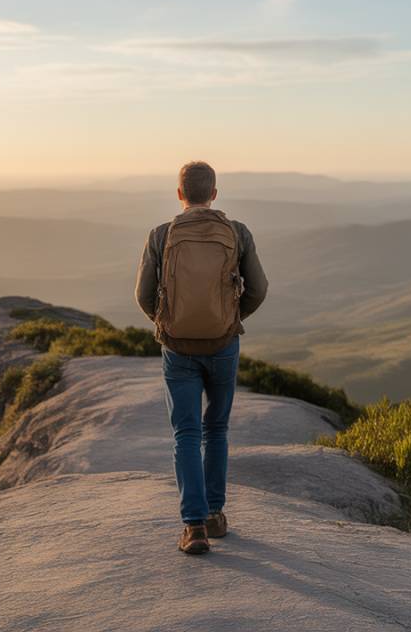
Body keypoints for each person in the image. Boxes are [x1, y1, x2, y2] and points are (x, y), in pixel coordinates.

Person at [135, 161, 268, 555]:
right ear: (214, 193)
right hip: (223, 346)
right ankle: (214, 514)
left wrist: (168, 326)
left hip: (177, 349)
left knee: (186, 433)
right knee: (217, 429)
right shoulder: (237, 232)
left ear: (179, 194)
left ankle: (193, 528)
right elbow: (258, 289)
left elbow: (143, 295)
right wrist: (231, 319)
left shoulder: (161, 235)